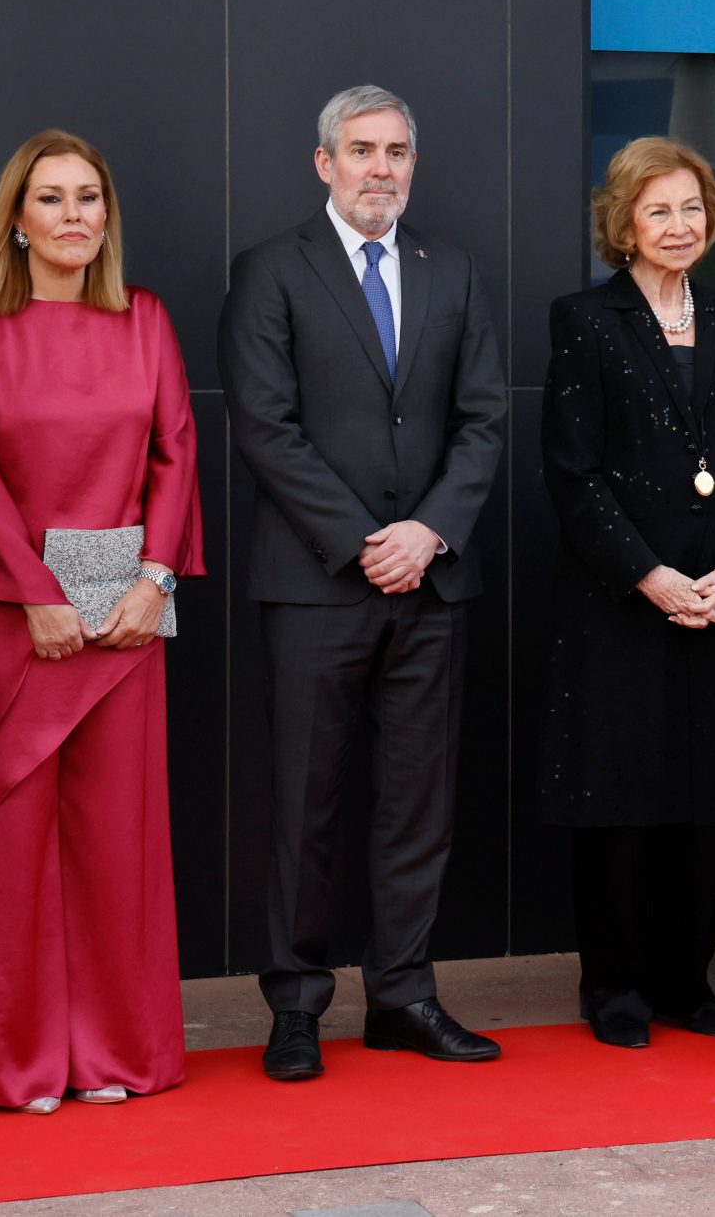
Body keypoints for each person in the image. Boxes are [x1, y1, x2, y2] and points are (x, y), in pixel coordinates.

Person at [0, 131, 204, 1112]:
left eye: (89, 197)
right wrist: (33, 593)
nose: (74, 214)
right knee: (7, 841)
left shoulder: (145, 318)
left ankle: (113, 1051)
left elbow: (175, 450)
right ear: (17, 220)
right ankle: (7, 1059)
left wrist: (154, 582)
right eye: (52, 198)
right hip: (9, 615)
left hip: (124, 608)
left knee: (117, 840)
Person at [221, 84, 507, 1078]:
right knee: (305, 805)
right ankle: (297, 1006)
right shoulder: (270, 270)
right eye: (361, 149)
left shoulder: (451, 269)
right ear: (324, 162)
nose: (380, 168)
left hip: (430, 582)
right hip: (316, 585)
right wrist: (363, 541)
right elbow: (265, 427)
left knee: (417, 804)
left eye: (395, 151)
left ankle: (403, 996)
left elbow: (483, 419)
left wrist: (427, 532)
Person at [539, 136, 715, 1048]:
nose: (679, 226)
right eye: (659, 211)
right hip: (621, 604)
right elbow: (574, 475)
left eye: (692, 209)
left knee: (706, 801)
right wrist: (651, 577)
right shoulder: (584, 320)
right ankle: (616, 989)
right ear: (624, 224)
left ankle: (688, 982)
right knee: (621, 805)